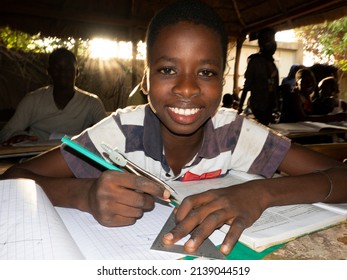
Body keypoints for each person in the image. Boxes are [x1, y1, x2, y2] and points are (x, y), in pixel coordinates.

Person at [1, 0, 346, 256]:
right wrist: (84, 195)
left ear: (222, 80)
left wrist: (261, 194)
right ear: (146, 80)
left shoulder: (236, 132)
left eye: (206, 72)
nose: (186, 88)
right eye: (167, 70)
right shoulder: (120, 133)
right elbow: (13, 177)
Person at [0, 47, 107, 145]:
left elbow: (108, 135)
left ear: (77, 72)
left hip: (74, 161)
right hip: (34, 158)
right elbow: (5, 133)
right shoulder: (33, 100)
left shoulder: (91, 102)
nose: (62, 72)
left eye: (68, 68)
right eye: (57, 68)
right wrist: (16, 136)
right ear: (49, 72)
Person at [237, 27, 280, 125]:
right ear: (262, 44)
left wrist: (277, 106)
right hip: (259, 106)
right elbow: (247, 85)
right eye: (268, 40)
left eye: (273, 40)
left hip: (270, 106)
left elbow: (275, 88)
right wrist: (240, 107)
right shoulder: (255, 62)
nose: (273, 44)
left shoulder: (271, 63)